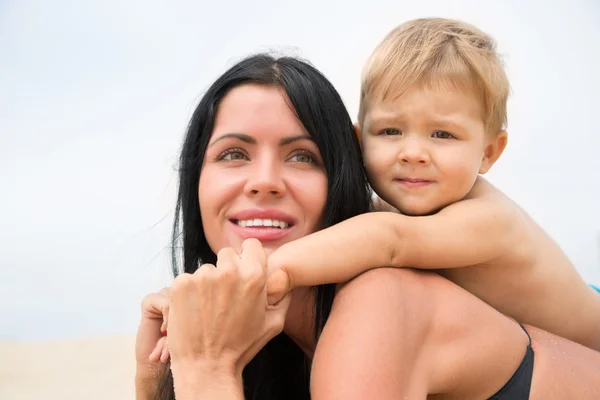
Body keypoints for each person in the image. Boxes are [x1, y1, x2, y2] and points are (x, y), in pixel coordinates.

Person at [135, 53, 600, 400]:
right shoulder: (276, 344)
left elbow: (389, 241)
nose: (263, 182)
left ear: (344, 175)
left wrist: (209, 369)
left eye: (302, 157)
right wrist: (154, 379)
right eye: (234, 154)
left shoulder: (381, 299)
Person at [266, 18, 600, 351]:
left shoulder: (489, 220)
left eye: (443, 135)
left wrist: (274, 270)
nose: (413, 153)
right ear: (359, 141)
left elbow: (389, 241)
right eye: (390, 131)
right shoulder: (391, 212)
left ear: (488, 153)